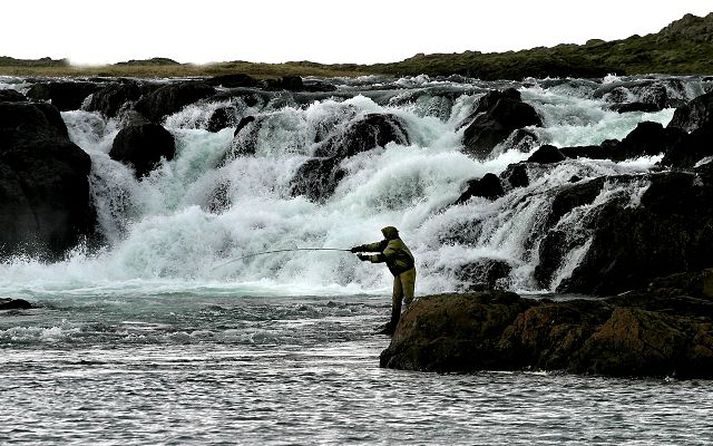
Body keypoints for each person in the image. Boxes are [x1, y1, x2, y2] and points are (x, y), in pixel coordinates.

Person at [351, 226, 416, 335]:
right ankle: (394, 324)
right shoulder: (388, 242)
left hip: (407, 272)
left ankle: (412, 321)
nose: (384, 236)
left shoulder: (395, 244)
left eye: (385, 234)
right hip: (398, 273)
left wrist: (366, 258)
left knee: (408, 298)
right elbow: (375, 246)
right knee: (396, 298)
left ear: (389, 234)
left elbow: (383, 257)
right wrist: (359, 248)